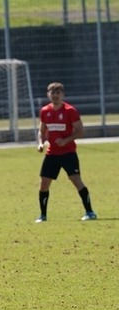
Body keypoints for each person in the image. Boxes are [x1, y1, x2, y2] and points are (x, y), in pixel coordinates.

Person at [36, 82, 96, 223]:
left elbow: (80, 131)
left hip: (68, 153)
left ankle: (90, 212)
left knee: (76, 180)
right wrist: (41, 143)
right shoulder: (45, 111)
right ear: (48, 95)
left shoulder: (70, 111)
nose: (55, 96)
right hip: (52, 154)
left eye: (58, 93)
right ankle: (43, 216)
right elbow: (42, 131)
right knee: (44, 183)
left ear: (62, 95)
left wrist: (66, 140)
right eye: (53, 93)